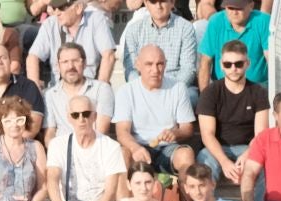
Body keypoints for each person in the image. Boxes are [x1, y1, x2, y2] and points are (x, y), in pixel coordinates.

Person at [43, 91, 125, 201]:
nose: (81, 119)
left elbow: (110, 192)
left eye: (86, 114)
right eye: (76, 115)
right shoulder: (58, 144)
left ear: (94, 116)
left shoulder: (110, 146)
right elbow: (52, 179)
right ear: (69, 118)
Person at [112, 44, 195, 186]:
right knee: (122, 155)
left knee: (186, 156)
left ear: (166, 65)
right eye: (149, 64)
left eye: (160, 64)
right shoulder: (126, 91)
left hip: (167, 147)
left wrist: (175, 133)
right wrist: (135, 148)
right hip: (138, 146)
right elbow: (122, 132)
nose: (155, 70)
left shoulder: (178, 88)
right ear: (138, 65)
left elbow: (187, 128)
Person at [195, 37, 266, 185]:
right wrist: (224, 162)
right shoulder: (210, 92)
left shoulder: (259, 92)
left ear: (247, 64)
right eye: (228, 64)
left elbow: (261, 134)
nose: (233, 68)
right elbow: (207, 135)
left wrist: (248, 154)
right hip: (217, 148)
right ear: (221, 65)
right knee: (204, 162)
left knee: (264, 162)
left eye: (239, 64)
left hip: (248, 146)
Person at [21, 0, 110, 89]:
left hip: (90, 89)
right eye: (54, 8)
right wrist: (35, 91)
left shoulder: (96, 19)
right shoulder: (50, 24)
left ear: (78, 8)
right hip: (58, 92)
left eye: (61, 8)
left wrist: (100, 90)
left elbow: (109, 55)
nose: (57, 12)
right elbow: (32, 57)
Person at [41, 41, 111, 151]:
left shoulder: (101, 89)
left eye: (75, 61)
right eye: (65, 62)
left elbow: (101, 130)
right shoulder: (49, 95)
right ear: (58, 66)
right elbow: (50, 132)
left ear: (84, 64)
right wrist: (56, 152)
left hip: (93, 149)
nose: (70, 66)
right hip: (63, 152)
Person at [118, 0, 197, 89]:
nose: (158, 6)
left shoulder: (186, 28)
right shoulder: (133, 30)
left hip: (175, 88)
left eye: (163, 1)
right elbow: (131, 69)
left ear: (172, 2)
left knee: (191, 96)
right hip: (143, 89)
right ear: (146, 4)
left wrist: (170, 91)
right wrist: (143, 91)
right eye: (153, 2)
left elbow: (188, 70)